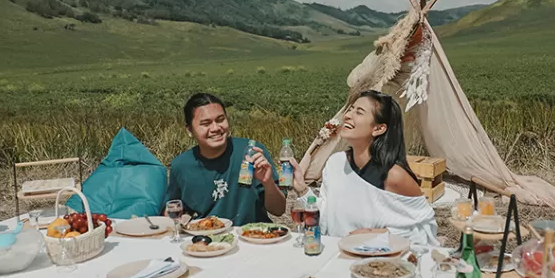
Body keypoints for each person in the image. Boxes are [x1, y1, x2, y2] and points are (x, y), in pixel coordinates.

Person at [291, 90, 438, 245]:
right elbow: (328, 218)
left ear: (378, 129)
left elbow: (426, 229)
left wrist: (379, 234)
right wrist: (302, 190)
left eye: (359, 112)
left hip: (375, 263)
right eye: (351, 109)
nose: (348, 115)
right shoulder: (335, 163)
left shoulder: (394, 176)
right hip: (336, 256)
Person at [166, 93, 286, 226]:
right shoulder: (181, 165)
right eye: (206, 123)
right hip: (207, 240)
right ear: (189, 130)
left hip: (252, 236)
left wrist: (267, 182)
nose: (215, 128)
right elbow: (172, 210)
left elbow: (279, 210)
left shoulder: (251, 152)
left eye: (220, 120)